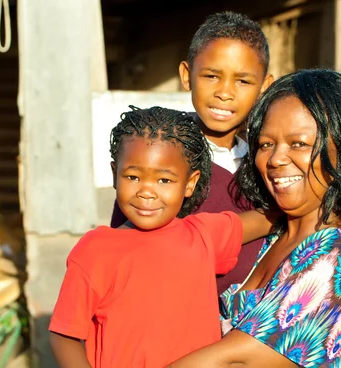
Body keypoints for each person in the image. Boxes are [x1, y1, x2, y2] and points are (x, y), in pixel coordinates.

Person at [168, 69, 341, 368]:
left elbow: (236, 361)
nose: (275, 159)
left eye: (298, 144)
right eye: (266, 144)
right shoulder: (275, 234)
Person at [49, 106, 279, 368]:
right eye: (133, 176)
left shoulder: (203, 235)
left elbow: (266, 219)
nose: (146, 192)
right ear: (115, 174)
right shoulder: (95, 250)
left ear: (190, 184)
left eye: (164, 181)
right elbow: (64, 334)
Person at [111, 12, 275, 295]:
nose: (225, 93)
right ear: (187, 76)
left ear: (264, 86)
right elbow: (128, 254)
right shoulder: (161, 155)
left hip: (254, 322)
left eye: (243, 81)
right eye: (212, 76)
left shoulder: (268, 159)